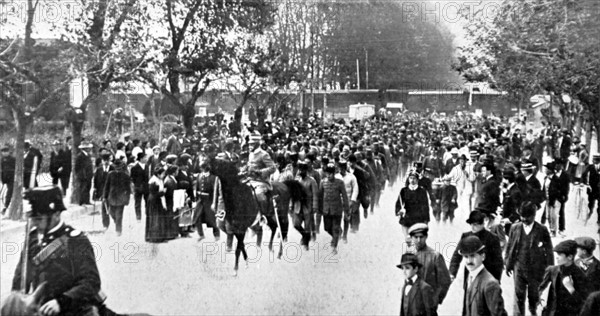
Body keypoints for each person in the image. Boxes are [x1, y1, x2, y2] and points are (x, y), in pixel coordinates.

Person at [11, 186, 113, 315]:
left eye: (39, 219)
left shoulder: (76, 240)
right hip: (40, 310)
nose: (35, 224)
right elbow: (20, 277)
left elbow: (91, 282)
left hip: (73, 309)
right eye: (33, 219)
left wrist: (61, 302)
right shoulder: (32, 239)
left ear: (57, 215)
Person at [505, 202, 554, 316]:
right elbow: (510, 246)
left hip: (536, 271)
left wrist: (551, 269)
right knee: (518, 297)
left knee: (534, 297)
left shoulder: (542, 230)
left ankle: (533, 312)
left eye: (527, 217)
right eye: (522, 216)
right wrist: (508, 263)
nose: (524, 219)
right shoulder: (514, 228)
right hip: (519, 268)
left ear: (534, 216)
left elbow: (549, 250)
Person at [449, 210, 504, 287]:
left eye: (475, 225)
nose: (472, 227)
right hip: (470, 276)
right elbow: (456, 256)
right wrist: (452, 272)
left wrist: (497, 279)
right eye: (471, 224)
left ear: (482, 224)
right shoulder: (466, 236)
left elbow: (498, 261)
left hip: (487, 276)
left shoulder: (492, 238)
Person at [539, 240, 591, 316]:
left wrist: (571, 289)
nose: (556, 257)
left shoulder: (579, 275)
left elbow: (584, 301)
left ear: (570, 257)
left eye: (559, 254)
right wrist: (539, 297)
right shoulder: (552, 270)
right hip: (551, 312)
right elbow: (540, 287)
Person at [408, 223, 451, 306]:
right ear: (412, 238)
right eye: (416, 237)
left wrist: (436, 299)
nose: (419, 240)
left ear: (426, 237)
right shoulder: (410, 256)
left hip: (428, 303)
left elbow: (445, 281)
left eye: (421, 237)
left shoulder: (435, 256)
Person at [318, 163, 349, 255]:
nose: (329, 175)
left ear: (334, 173)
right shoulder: (323, 182)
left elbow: (344, 196)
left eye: (331, 173)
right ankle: (336, 236)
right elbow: (320, 196)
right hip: (326, 209)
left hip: (337, 209)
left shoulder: (340, 182)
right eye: (328, 173)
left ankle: (334, 246)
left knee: (335, 228)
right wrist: (319, 209)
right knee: (327, 228)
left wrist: (346, 210)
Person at [396, 171, 430, 244]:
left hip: (418, 219)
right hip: (407, 219)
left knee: (417, 241)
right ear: (408, 179)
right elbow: (398, 203)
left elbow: (426, 206)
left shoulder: (422, 191)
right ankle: (409, 252)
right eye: (410, 178)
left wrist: (426, 220)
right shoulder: (404, 190)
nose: (412, 180)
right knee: (408, 240)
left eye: (414, 178)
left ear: (417, 180)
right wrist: (400, 211)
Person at [103, 159, 131, 236]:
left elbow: (128, 189)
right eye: (116, 166)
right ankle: (117, 222)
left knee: (119, 215)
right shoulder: (110, 174)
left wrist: (127, 199)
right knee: (112, 213)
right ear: (114, 167)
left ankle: (118, 230)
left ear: (122, 167)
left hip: (121, 198)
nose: (118, 168)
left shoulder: (125, 176)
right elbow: (106, 186)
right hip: (111, 197)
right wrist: (104, 196)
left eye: (119, 166)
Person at [295, 159, 318, 249]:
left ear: (306, 170)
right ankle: (305, 236)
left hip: (308, 206)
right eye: (299, 169)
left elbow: (315, 194)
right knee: (296, 224)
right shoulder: (297, 180)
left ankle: (306, 245)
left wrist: (315, 206)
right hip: (298, 205)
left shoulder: (311, 181)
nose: (300, 171)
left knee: (307, 225)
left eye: (302, 170)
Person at [336, 160, 359, 243]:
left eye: (343, 167)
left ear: (346, 167)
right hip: (337, 201)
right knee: (337, 218)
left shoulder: (351, 177)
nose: (341, 169)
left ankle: (345, 235)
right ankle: (339, 231)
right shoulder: (336, 177)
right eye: (340, 167)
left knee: (346, 218)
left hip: (348, 201)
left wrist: (353, 200)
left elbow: (355, 189)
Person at [146, 166, 169, 243]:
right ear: (158, 174)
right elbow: (153, 193)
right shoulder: (153, 181)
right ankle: (155, 237)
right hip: (154, 201)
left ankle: (160, 236)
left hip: (158, 200)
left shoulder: (159, 180)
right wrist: (163, 192)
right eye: (162, 174)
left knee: (159, 218)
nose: (164, 175)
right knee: (155, 219)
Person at [93, 154, 113, 230]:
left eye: (107, 160)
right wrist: (95, 189)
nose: (106, 162)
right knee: (104, 208)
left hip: (111, 191)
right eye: (104, 160)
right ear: (102, 161)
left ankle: (114, 222)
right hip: (102, 191)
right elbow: (95, 180)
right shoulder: (99, 170)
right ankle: (105, 225)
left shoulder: (112, 168)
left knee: (111, 208)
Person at [542, 161, 562, 236]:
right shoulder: (545, 178)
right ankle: (551, 229)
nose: (545, 170)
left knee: (553, 216)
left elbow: (558, 191)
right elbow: (544, 189)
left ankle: (553, 230)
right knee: (549, 216)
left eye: (546, 169)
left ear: (550, 170)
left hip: (554, 200)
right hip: (548, 199)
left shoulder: (556, 179)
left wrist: (556, 200)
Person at [582, 153, 600, 223]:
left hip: (599, 190)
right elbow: (584, 174)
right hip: (591, 189)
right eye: (593, 159)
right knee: (590, 204)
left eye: (595, 159)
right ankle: (589, 216)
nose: (593, 160)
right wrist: (586, 184)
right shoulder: (590, 167)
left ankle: (599, 221)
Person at [1, 145, 15, 214]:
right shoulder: (2, 160)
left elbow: (16, 169)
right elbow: (2, 170)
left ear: (8, 152)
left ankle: (6, 206)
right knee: (7, 193)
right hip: (5, 179)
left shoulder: (13, 159)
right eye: (3, 152)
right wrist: (3, 179)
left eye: (6, 151)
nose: (4, 153)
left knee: (9, 193)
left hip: (12, 179)